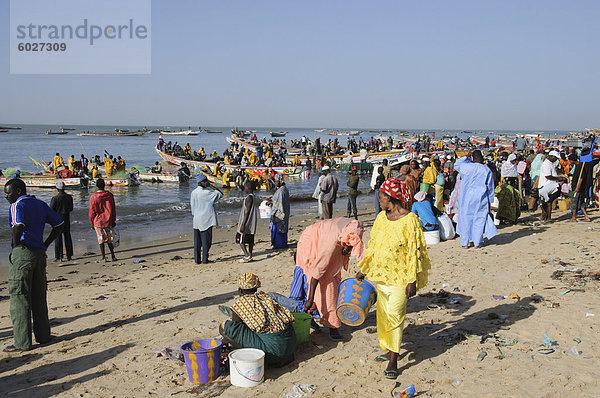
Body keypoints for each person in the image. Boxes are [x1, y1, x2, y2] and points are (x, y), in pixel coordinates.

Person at [356, 177, 430, 379]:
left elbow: (414, 251)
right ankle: (388, 348)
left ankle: (394, 359)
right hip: (382, 275)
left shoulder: (410, 220)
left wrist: (412, 280)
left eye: (381, 197)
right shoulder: (381, 218)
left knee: (395, 315)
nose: (379, 201)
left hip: (401, 276)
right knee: (383, 315)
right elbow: (374, 245)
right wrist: (364, 268)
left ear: (391, 197)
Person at [4, 178, 64, 352]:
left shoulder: (17, 205)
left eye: (8, 193)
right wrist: (45, 244)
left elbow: (18, 226)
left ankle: (22, 342)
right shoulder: (39, 204)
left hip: (24, 253)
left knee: (19, 296)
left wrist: (16, 246)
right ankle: (43, 335)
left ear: (18, 192)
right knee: (39, 296)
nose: (6, 196)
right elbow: (59, 224)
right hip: (39, 253)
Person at [296, 217, 365, 341]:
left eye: (351, 247)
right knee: (328, 285)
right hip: (312, 241)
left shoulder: (355, 228)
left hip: (329, 236)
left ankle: (311, 314)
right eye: (347, 246)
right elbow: (316, 273)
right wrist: (310, 299)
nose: (348, 249)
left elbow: (352, 244)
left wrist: (347, 248)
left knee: (333, 276)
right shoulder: (330, 244)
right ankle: (332, 325)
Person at [219, 273, 296, 367]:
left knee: (224, 327)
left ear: (240, 290)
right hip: (290, 345)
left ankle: (248, 353)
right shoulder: (268, 297)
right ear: (256, 287)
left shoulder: (240, 304)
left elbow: (236, 329)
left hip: (272, 352)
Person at [454, 150, 497, 248]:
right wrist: (490, 200)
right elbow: (490, 187)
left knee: (465, 219)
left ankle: (465, 243)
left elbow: (456, 164)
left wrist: (465, 157)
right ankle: (477, 243)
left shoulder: (465, 167)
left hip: (466, 198)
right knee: (479, 218)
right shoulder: (486, 170)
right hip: (480, 197)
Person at [190, 174, 223, 264]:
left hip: (196, 218)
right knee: (206, 241)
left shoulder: (193, 192)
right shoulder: (207, 193)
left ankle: (197, 259)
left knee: (197, 241)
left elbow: (192, 206)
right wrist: (211, 186)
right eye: (206, 181)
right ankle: (205, 259)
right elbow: (220, 194)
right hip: (206, 219)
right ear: (203, 182)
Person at [89, 178, 117, 262]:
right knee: (109, 239)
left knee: (101, 239)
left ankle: (103, 257)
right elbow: (113, 208)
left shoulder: (94, 197)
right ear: (104, 185)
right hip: (108, 220)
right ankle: (113, 255)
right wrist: (113, 220)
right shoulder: (109, 195)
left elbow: (92, 211)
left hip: (98, 221)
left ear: (97, 186)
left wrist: (91, 222)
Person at [538, 150, 565, 222]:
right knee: (548, 202)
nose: (556, 160)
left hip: (549, 185)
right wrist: (559, 178)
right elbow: (548, 176)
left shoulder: (549, 164)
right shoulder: (546, 164)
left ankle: (546, 217)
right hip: (547, 185)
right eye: (555, 158)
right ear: (552, 157)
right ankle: (548, 218)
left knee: (547, 202)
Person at [50, 181, 74, 262]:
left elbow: (51, 210)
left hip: (57, 219)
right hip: (66, 218)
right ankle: (69, 255)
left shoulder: (55, 198)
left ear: (57, 189)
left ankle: (59, 256)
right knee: (67, 236)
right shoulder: (69, 197)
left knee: (58, 238)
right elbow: (71, 208)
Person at [236, 181, 259, 262]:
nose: (244, 189)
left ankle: (246, 255)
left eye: (245, 187)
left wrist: (243, 224)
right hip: (251, 223)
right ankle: (250, 254)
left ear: (248, 188)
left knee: (240, 240)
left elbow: (247, 212)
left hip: (247, 223)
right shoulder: (253, 196)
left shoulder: (249, 198)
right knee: (250, 240)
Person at [268, 175, 290, 249]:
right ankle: (282, 243)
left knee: (278, 229)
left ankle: (279, 245)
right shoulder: (284, 189)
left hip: (280, 214)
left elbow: (278, 203)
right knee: (282, 229)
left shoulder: (281, 191)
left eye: (276, 181)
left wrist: (271, 203)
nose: (275, 183)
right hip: (285, 212)